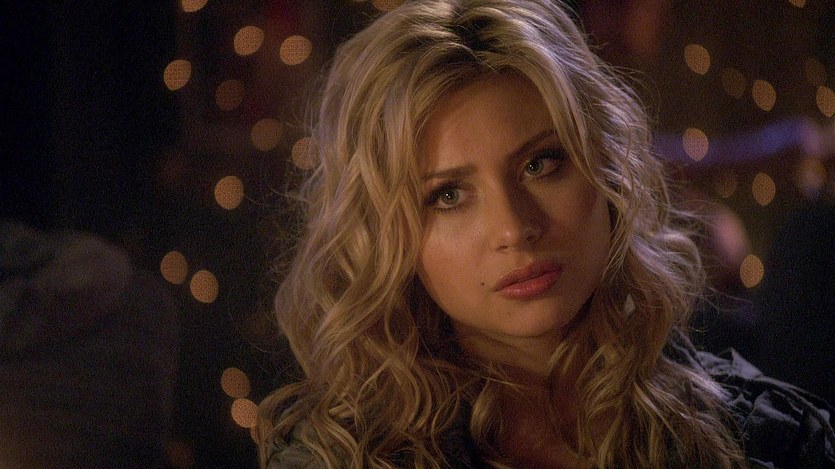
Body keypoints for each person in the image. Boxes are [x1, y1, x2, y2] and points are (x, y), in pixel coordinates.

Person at [257, 0, 835, 467]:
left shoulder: (759, 438)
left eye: (540, 164)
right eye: (449, 195)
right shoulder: (338, 455)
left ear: (606, 172)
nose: (514, 228)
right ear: (388, 237)